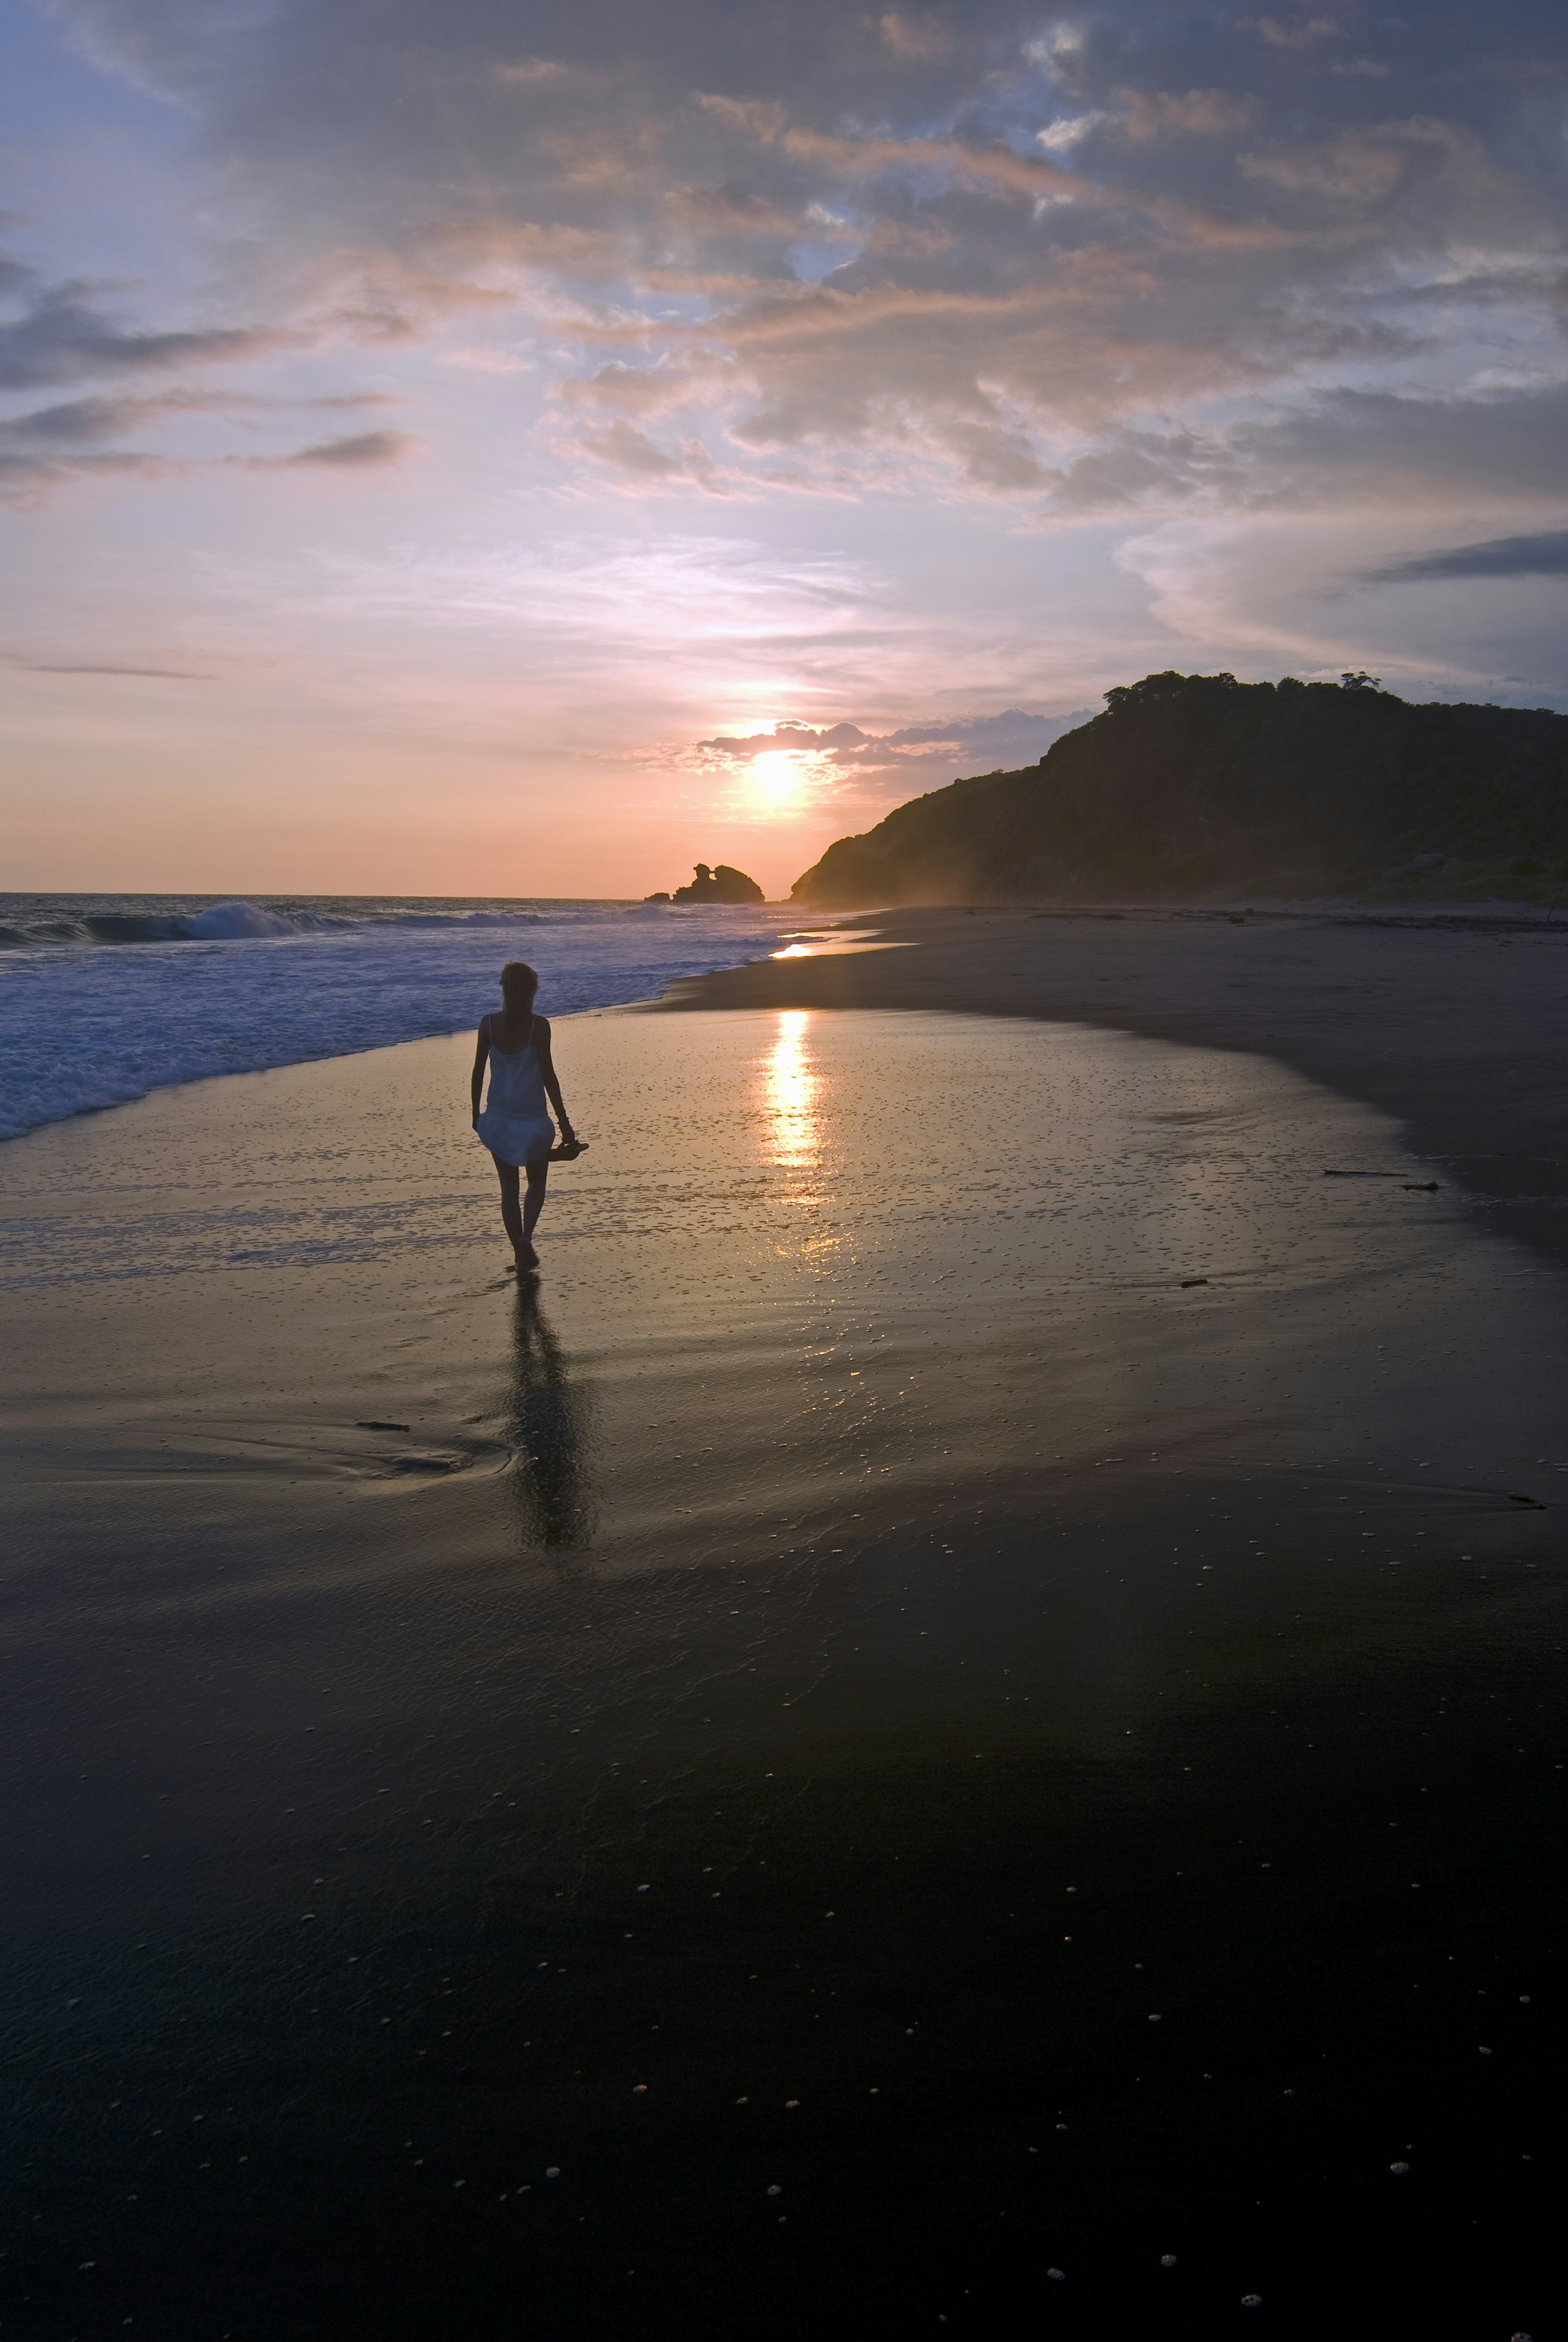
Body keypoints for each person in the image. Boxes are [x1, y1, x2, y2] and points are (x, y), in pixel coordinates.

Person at [471, 962, 577, 1273]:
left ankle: (519, 1255)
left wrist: (476, 1115)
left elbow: (478, 1072)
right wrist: (565, 1123)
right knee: (537, 1182)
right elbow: (549, 1076)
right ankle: (527, 1237)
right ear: (532, 992)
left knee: (508, 1190)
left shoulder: (488, 1024)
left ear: (504, 989)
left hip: (500, 1119)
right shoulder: (539, 1026)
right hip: (532, 1121)